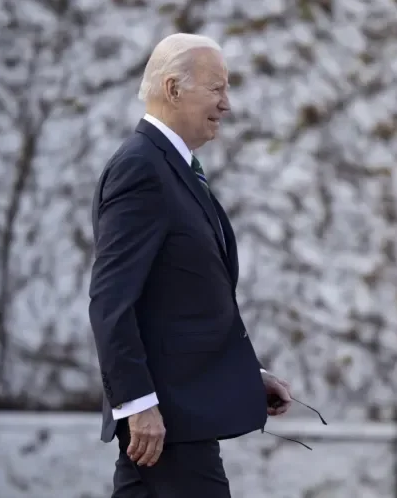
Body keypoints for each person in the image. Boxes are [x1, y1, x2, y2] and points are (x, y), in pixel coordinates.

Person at [88, 33, 294, 498]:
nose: (228, 104)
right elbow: (110, 300)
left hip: (176, 419)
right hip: (166, 422)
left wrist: (246, 376)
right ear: (174, 89)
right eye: (217, 88)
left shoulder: (172, 167)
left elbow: (180, 303)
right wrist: (138, 405)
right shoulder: (142, 168)